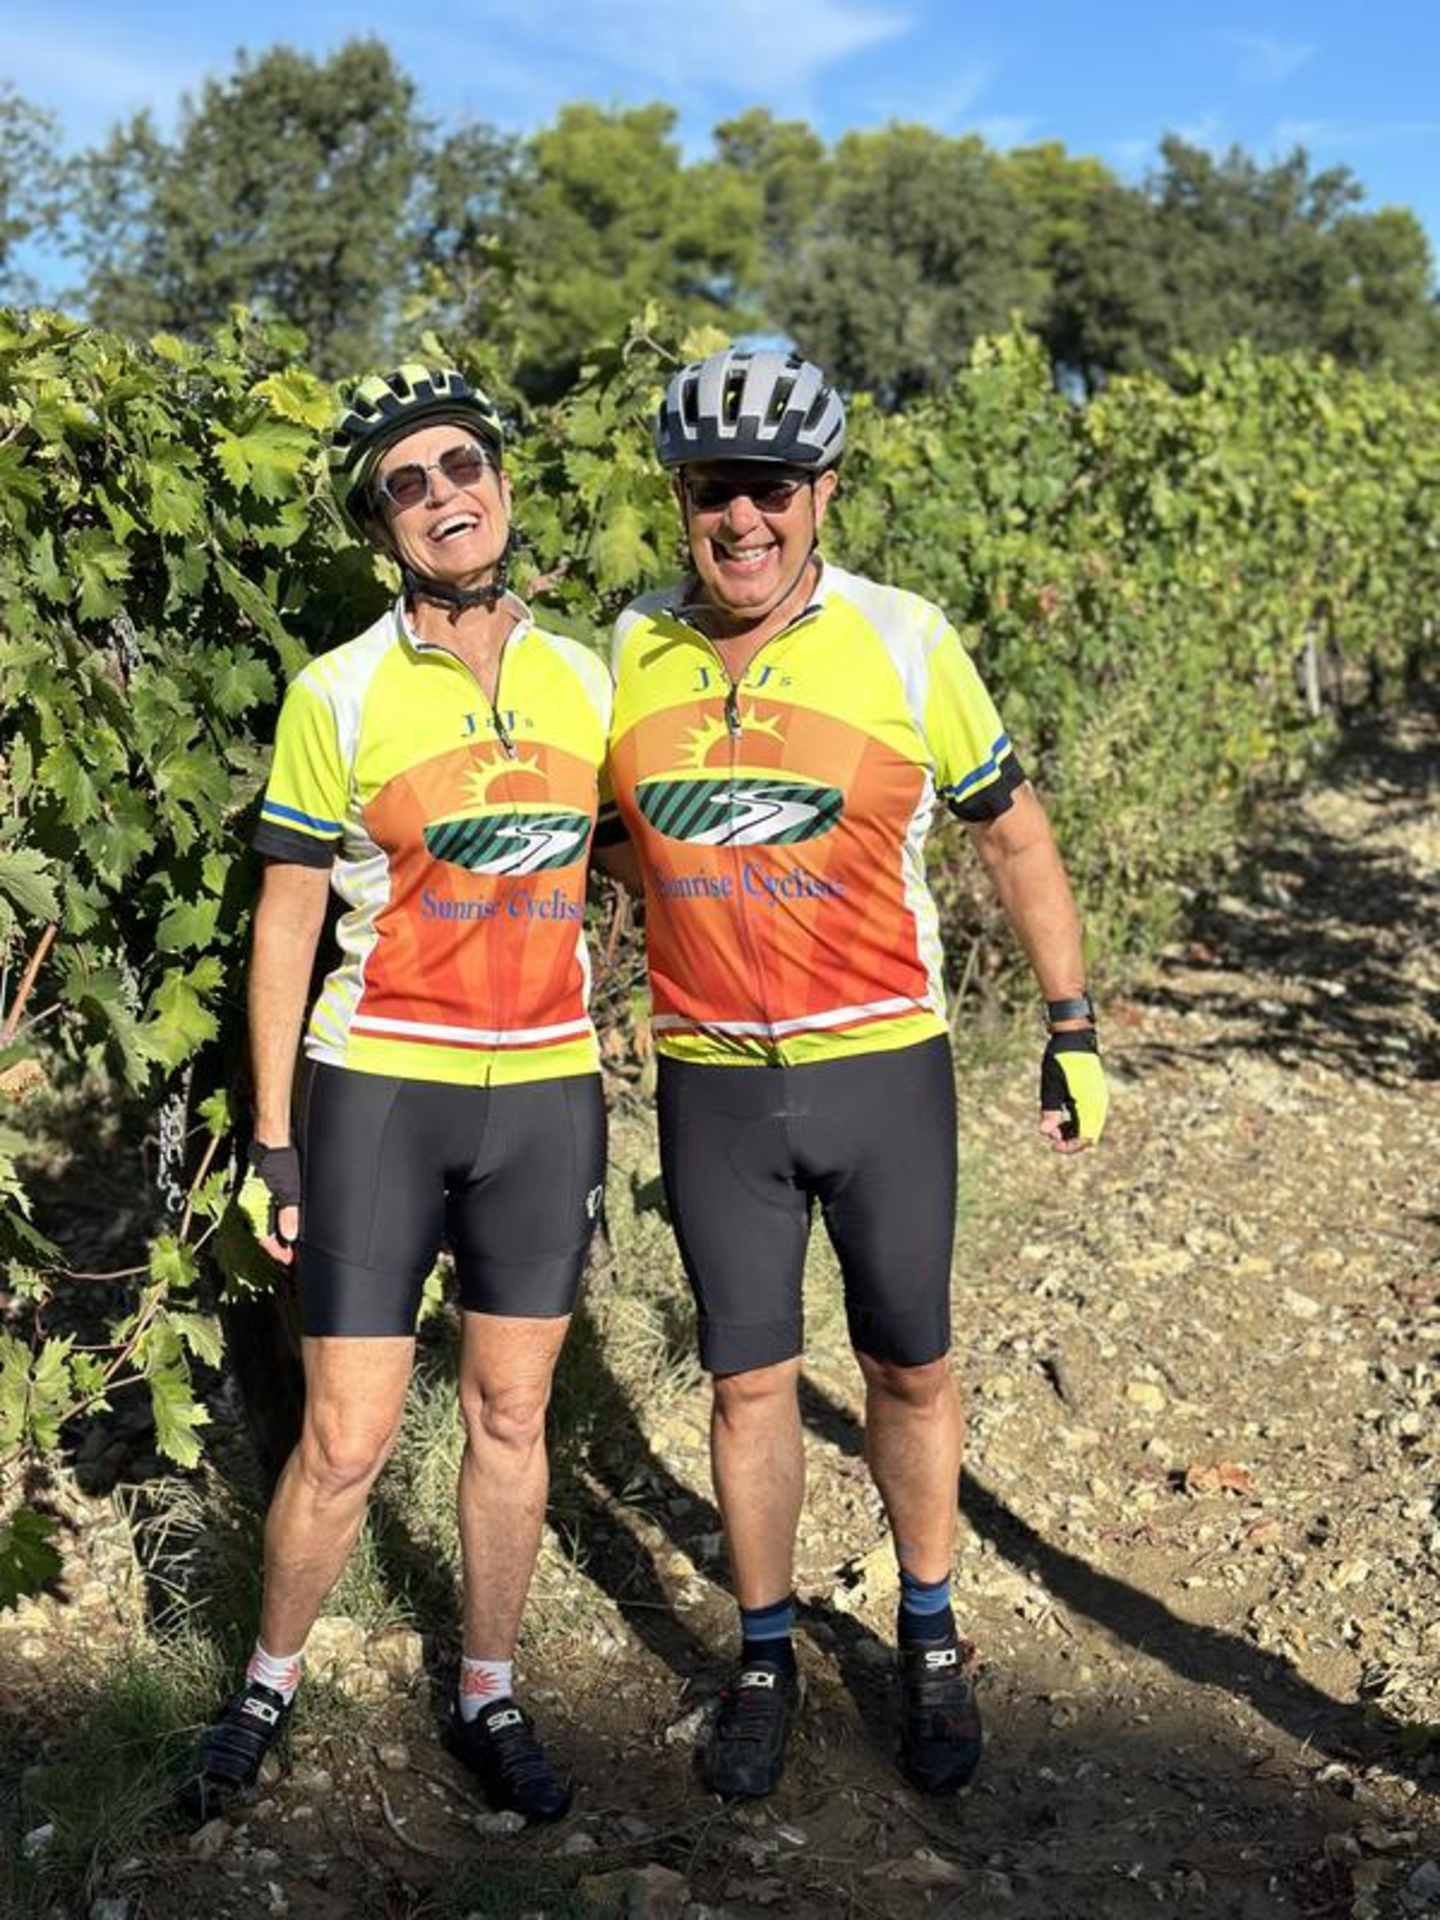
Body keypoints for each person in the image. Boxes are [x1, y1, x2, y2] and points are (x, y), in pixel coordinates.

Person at [595, 347, 1107, 1800]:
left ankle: (929, 1632)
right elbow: (611, 841)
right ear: (681, 500)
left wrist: (1071, 1023)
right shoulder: (629, 647)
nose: (741, 519)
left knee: (909, 1363)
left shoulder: (903, 638)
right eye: (713, 489)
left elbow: (1015, 834)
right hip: (714, 1081)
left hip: (882, 1064)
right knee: (747, 1381)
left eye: (770, 488)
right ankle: (764, 1654)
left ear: (821, 493)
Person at [186, 365, 612, 1823]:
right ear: (382, 529)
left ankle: (487, 1690)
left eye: (461, 465)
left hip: (546, 1094)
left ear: (502, 481)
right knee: (348, 1438)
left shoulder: (588, 678)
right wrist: (272, 1140)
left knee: (511, 1412)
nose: (443, 496)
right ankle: (265, 1684)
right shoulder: (339, 690)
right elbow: (288, 920)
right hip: (379, 1090)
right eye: (407, 485)